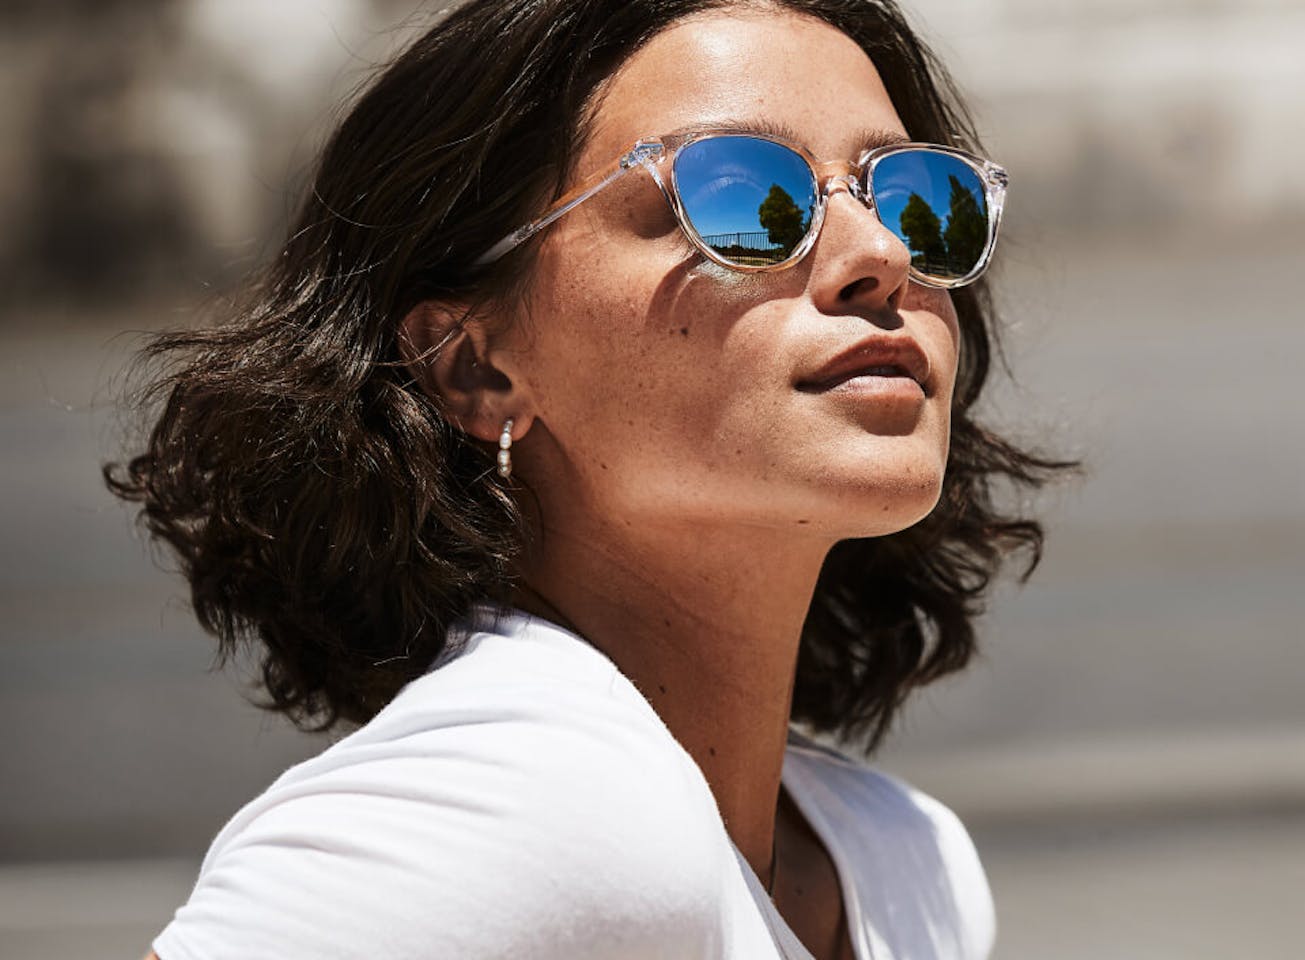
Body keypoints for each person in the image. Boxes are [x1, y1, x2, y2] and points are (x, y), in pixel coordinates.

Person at [108, 0, 1074, 957]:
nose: (883, 255)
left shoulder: (904, 865)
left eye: (918, 201)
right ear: (473, 367)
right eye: (737, 197)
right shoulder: (527, 820)